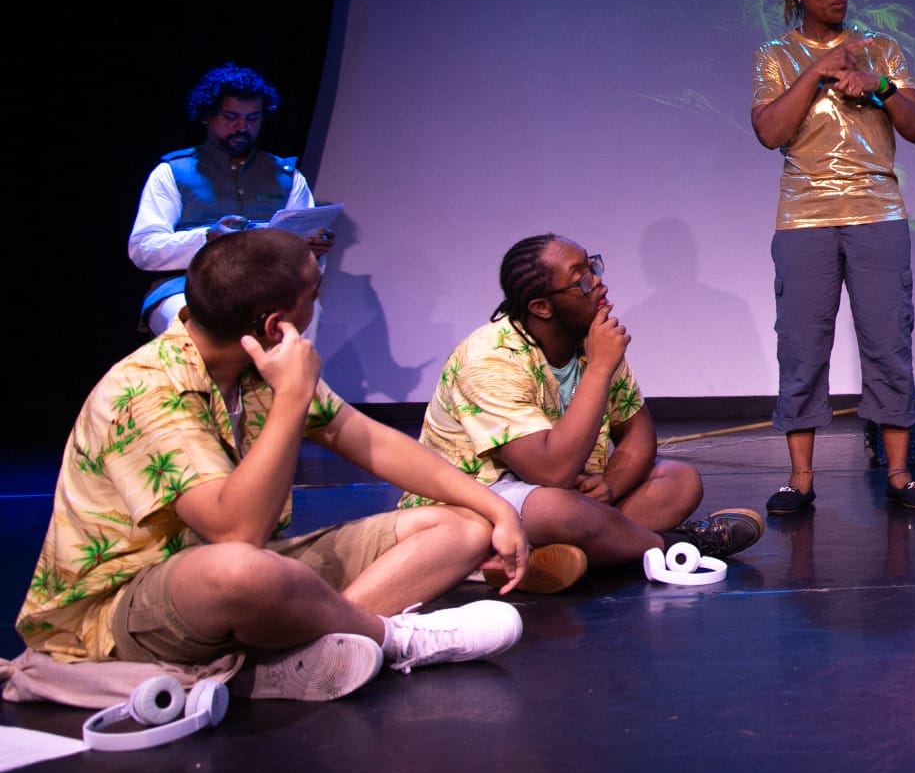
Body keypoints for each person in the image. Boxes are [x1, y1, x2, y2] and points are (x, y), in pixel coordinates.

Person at [16, 229, 526, 696]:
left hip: (253, 567)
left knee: (462, 529)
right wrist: (292, 397)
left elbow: (371, 441)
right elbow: (235, 534)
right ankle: (393, 639)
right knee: (242, 572)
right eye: (314, 294)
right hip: (126, 606)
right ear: (274, 323)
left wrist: (496, 509)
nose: (317, 305)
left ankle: (303, 654)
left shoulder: (259, 364)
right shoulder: (146, 389)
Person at [409, 235, 764, 593]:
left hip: (571, 496)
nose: (598, 282)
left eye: (593, 266)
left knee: (679, 480)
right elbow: (551, 472)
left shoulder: (590, 339)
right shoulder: (489, 359)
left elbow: (638, 433)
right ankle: (677, 547)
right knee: (559, 510)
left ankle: (545, 560)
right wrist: (599, 367)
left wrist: (612, 486)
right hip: (479, 502)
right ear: (541, 307)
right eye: (580, 279)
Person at [752, 0, 915, 517]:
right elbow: (770, 132)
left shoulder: (879, 48)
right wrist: (816, 71)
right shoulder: (775, 55)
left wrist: (880, 86)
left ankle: (900, 473)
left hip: (876, 211)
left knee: (888, 341)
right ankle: (800, 479)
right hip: (803, 217)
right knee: (801, 347)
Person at [130, 63, 336, 334]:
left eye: (252, 119)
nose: (242, 126)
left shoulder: (287, 177)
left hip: (264, 288)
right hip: (187, 286)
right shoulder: (173, 172)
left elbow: (301, 250)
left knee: (303, 313)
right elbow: (143, 249)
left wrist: (311, 247)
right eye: (230, 117)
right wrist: (208, 239)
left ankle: (288, 364)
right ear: (207, 116)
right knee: (190, 328)